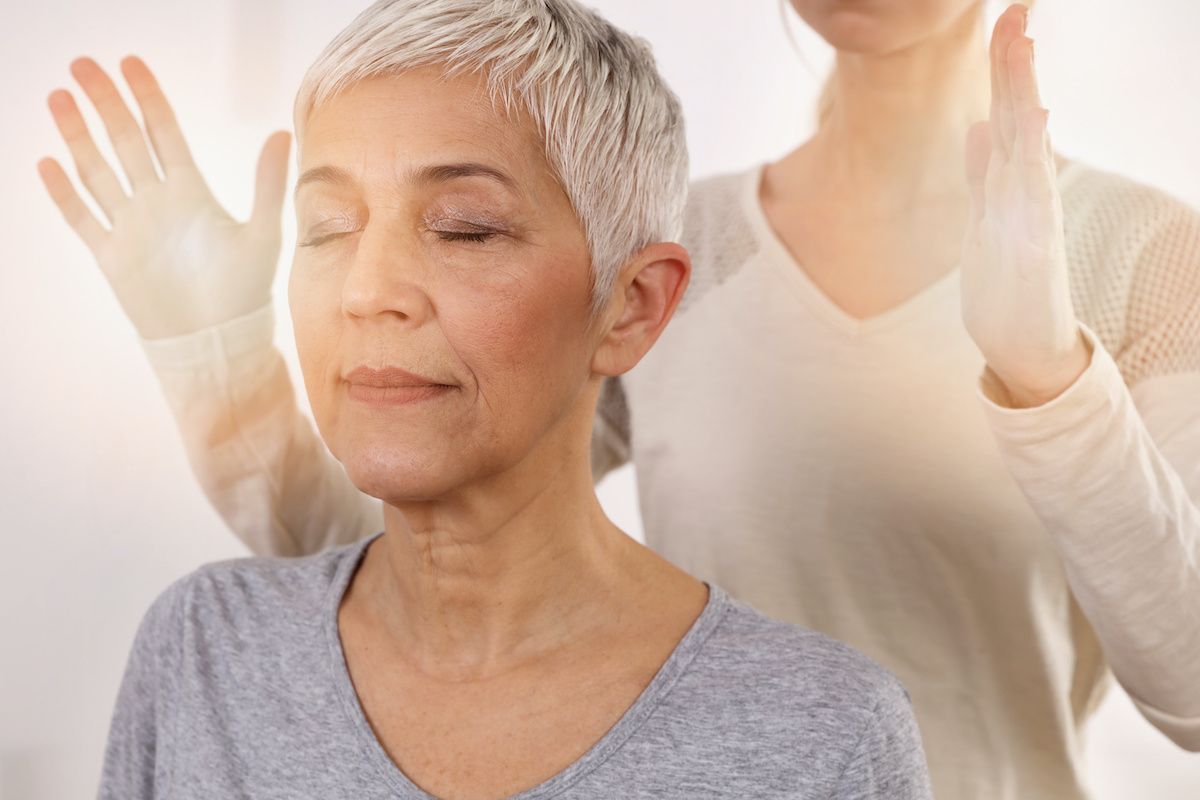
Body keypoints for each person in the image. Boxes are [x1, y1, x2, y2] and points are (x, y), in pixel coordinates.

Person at [37, 0, 1200, 798]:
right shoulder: (679, 240)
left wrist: (1047, 379)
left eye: (464, 227)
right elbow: (441, 553)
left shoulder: (1139, 255)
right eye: (332, 227)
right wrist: (219, 349)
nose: (382, 280)